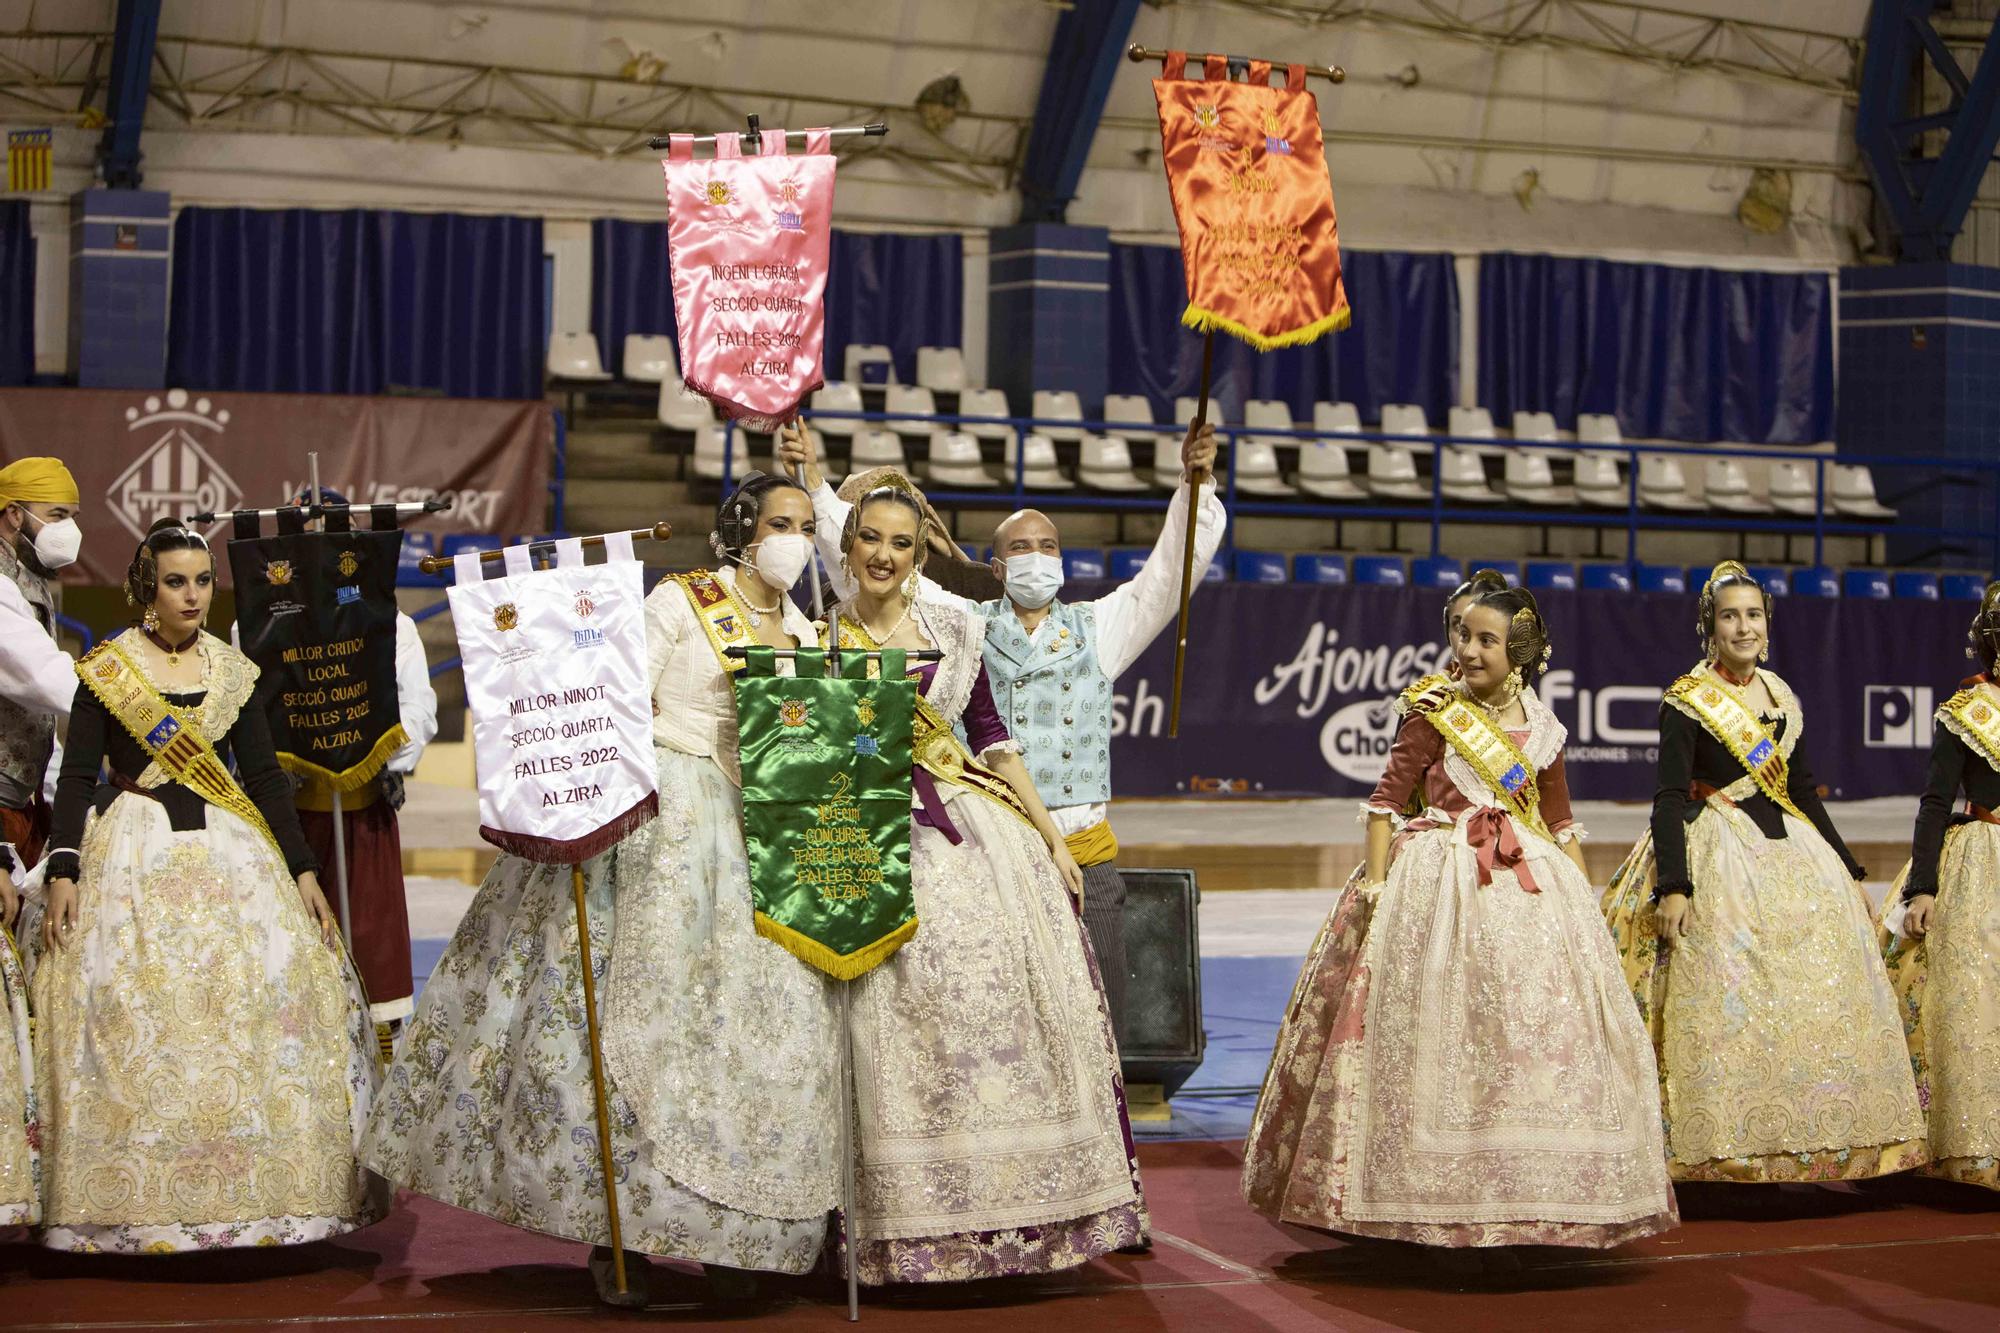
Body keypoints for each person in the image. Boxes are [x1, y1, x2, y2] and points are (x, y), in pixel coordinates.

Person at [363, 476, 841, 1306]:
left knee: (743, 1044)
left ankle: (736, 1232)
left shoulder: (806, 628)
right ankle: (619, 1235)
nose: (793, 540)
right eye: (778, 523)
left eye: (804, 526)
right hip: (657, 826)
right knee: (625, 1027)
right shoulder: (681, 602)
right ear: (741, 530)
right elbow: (614, 695)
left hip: (758, 840)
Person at [1243, 586, 1676, 1260]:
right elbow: (1385, 802)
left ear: (1521, 653)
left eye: (1485, 641)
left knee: (1530, 1037)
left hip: (1532, 889)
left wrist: (1586, 907)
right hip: (1437, 878)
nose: (1467, 650)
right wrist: (1379, 886)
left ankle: (1529, 1187)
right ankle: (1422, 1195)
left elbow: (1559, 823)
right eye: (1462, 636)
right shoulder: (1434, 712)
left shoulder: (1546, 728)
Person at [806, 468, 1146, 1282]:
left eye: (901, 542)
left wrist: (1047, 833)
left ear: (919, 553)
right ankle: (892, 1218)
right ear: (845, 548)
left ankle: (1005, 1208)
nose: (884, 554)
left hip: (967, 834)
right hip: (862, 839)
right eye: (870, 540)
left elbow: (991, 736)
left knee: (989, 1005)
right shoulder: (816, 639)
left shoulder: (955, 628)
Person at [780, 418, 1223, 1032]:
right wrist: (814, 478)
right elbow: (863, 561)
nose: (1036, 558)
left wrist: (1193, 487)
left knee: (1101, 1013)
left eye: (1048, 546)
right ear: (994, 567)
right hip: (993, 849)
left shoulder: (1103, 628)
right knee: (1002, 1020)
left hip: (1081, 848)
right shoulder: (960, 623)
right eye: (1020, 548)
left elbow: (1169, 576)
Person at [32, 519, 378, 1252]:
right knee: (132, 1016)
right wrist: (64, 865)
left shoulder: (233, 671)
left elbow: (262, 781)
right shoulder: (108, 670)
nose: (192, 596)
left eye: (202, 581)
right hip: (131, 858)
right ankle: (126, 1204)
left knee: (260, 1002)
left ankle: (262, 1201)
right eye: (176, 582)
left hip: (233, 861)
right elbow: (78, 780)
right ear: (145, 590)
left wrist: (303, 869)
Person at [1602, 560, 1926, 1182]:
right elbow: (1669, 796)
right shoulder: (1687, 699)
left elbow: (1800, 791)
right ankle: (1724, 1150)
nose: (1743, 627)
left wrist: (1848, 869)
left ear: (1767, 625)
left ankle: (1811, 1140)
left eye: (1753, 615)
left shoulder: (1780, 697)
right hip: (1714, 850)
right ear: (1710, 627)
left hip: (1791, 852)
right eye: (1730, 616)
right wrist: (1674, 885)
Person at [278, 489, 439, 1054]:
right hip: (289, 825)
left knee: (373, 962)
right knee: (293, 965)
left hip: (364, 815)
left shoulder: (390, 625)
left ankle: (376, 1073)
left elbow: (419, 712)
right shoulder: (263, 629)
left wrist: (364, 751)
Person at [1878, 579, 2000, 1191]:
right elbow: (1933, 803)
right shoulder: (1966, 712)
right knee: (1974, 1007)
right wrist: (1921, 887)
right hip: (1982, 860)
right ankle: (1975, 1151)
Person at [0, 457, 83, 873]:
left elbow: (37, 714)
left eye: (73, 517)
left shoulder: (28, 578)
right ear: (15, 514)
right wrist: (133, 702)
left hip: (20, 801)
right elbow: (46, 679)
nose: (69, 529)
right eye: (57, 515)